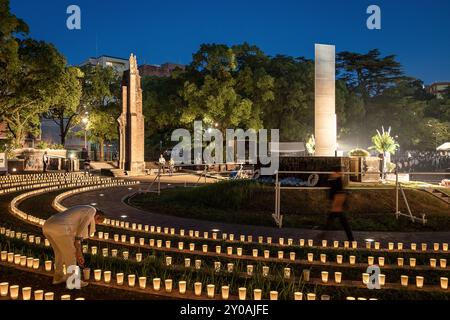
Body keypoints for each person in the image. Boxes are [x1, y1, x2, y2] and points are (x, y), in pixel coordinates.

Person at [42, 205, 106, 286]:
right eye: (96, 223)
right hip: (60, 227)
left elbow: (75, 240)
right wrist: (77, 253)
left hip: (47, 225)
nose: (93, 224)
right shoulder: (92, 210)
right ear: (97, 216)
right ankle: (73, 281)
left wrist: (79, 253)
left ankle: (58, 277)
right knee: (71, 255)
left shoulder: (81, 211)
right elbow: (81, 231)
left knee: (59, 253)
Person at [323, 166, 355, 241]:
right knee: (336, 219)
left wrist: (336, 202)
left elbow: (336, 190)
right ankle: (323, 235)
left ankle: (322, 236)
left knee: (340, 220)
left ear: (335, 172)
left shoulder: (336, 177)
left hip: (338, 200)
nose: (331, 173)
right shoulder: (337, 178)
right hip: (338, 200)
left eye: (332, 172)